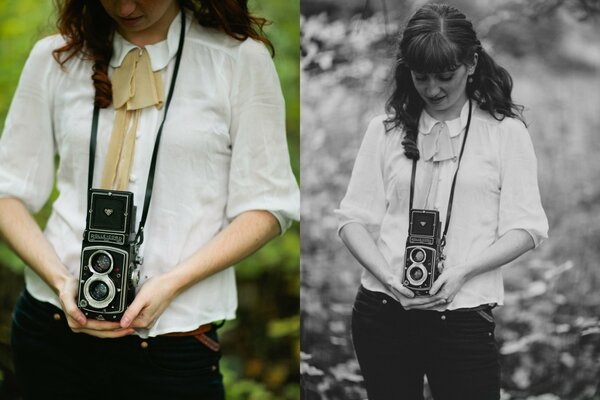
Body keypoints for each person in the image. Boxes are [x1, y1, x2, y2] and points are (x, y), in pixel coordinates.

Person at [0, 0, 298, 398]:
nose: (125, 6)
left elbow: (268, 204)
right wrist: (59, 280)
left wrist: (172, 284)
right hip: (50, 327)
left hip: (171, 342)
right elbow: (6, 192)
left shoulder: (239, 60)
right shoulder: (55, 58)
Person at [336, 4, 548, 400]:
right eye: (421, 77)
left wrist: (465, 270)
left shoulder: (505, 134)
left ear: (471, 62)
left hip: (463, 315)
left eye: (445, 76)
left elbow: (528, 227)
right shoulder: (383, 131)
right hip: (382, 311)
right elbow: (352, 220)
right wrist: (387, 277)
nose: (433, 89)